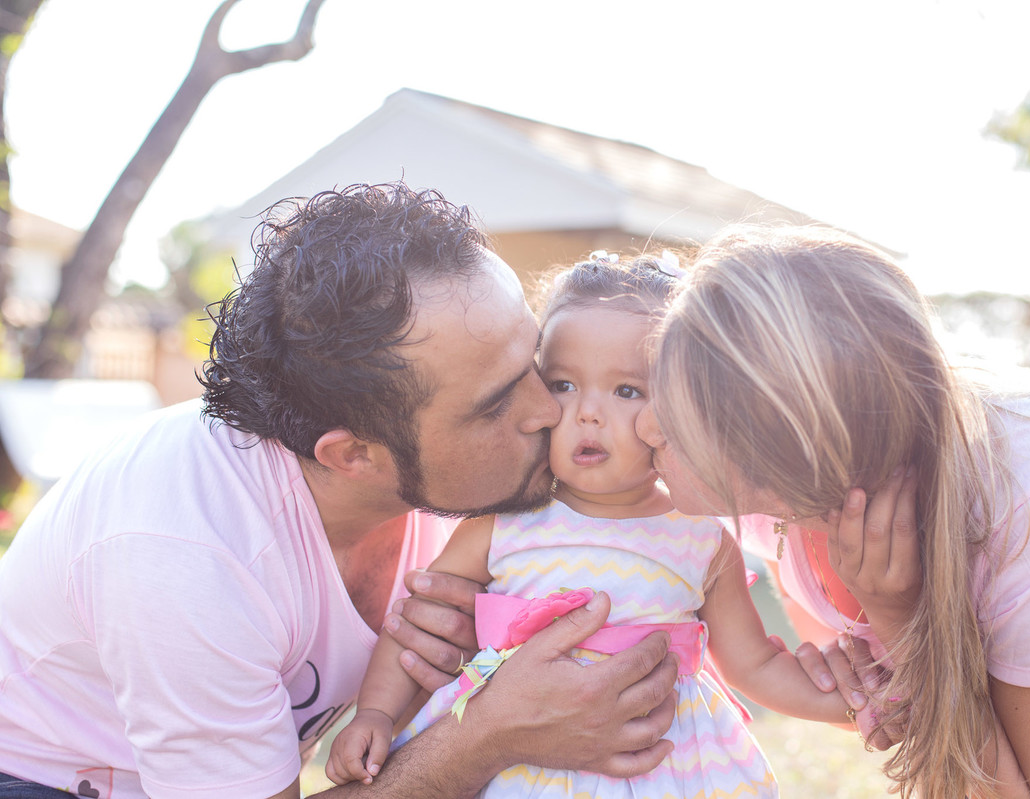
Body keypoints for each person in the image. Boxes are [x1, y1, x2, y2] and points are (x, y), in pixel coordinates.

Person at [0, 182, 680, 799]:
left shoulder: (462, 483)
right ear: (355, 454)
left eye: (539, 365)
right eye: (497, 402)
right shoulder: (184, 548)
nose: (550, 410)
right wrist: (489, 734)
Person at [634, 222, 1030, 798]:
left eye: (678, 415)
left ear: (784, 448)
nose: (647, 426)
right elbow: (844, 651)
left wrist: (899, 620)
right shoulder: (770, 490)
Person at [324, 250, 855, 797]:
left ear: (682, 404)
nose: (587, 412)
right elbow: (416, 630)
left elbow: (756, 663)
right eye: (562, 384)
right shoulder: (500, 526)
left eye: (626, 390)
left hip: (662, 765)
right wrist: (376, 715)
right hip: (520, 770)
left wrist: (855, 703)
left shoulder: (699, 535)